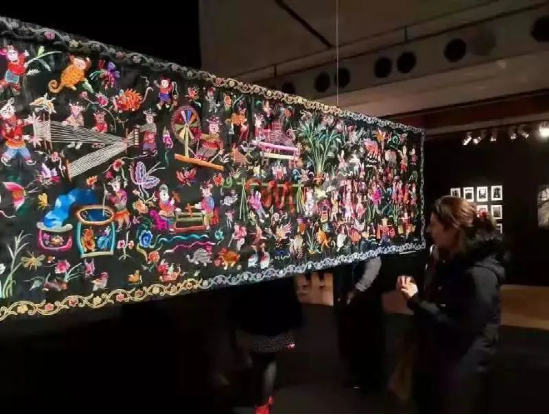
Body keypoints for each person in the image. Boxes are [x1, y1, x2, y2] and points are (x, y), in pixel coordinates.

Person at [397, 196, 506, 414]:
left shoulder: (480, 275)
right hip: (447, 366)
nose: (429, 230)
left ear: (453, 229)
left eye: (434, 225)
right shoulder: (457, 263)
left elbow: (460, 328)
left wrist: (416, 301)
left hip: (460, 373)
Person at [230, 277, 302, 414]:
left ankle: (262, 404)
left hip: (258, 300)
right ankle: (262, 400)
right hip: (269, 300)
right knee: (263, 359)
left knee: (263, 360)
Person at [334, 257, 384, 392]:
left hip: (365, 298)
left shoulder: (369, 251)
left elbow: (373, 266)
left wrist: (357, 290)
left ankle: (368, 379)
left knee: (366, 337)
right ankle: (357, 374)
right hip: (354, 295)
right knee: (353, 336)